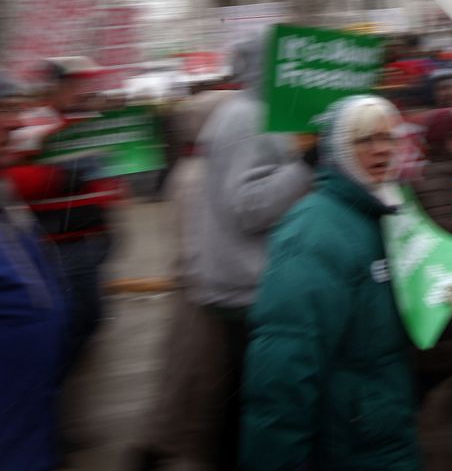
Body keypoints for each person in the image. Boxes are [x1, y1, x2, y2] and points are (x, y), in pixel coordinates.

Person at [240, 95, 420, 471]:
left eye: (388, 138)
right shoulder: (312, 231)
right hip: (346, 446)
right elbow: (281, 374)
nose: (381, 149)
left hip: (384, 432)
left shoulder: (386, 211)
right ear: (337, 146)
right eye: (364, 140)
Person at [189, 33, 316, 469]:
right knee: (253, 410)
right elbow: (248, 207)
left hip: (243, 287)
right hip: (247, 291)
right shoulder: (247, 116)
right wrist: (306, 167)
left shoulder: (253, 112)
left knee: (243, 409)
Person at [126, 87, 236, 470]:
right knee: (200, 383)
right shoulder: (202, 175)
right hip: (203, 297)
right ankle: (169, 447)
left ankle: (162, 442)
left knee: (185, 381)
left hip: (195, 294)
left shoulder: (193, 170)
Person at [7, 57, 123, 379]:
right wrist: (56, 176)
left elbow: (104, 176)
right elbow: (14, 177)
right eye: (74, 84)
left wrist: (111, 192)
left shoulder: (88, 122)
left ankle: (51, 380)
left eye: (84, 84)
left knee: (89, 315)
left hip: (93, 236)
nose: (82, 90)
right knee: (78, 317)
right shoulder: (33, 125)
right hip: (61, 241)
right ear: (55, 87)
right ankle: (49, 381)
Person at [0, 71, 68, 471]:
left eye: (13, 108)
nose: (16, 122)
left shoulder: (5, 194)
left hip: (32, 433)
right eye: (2, 111)